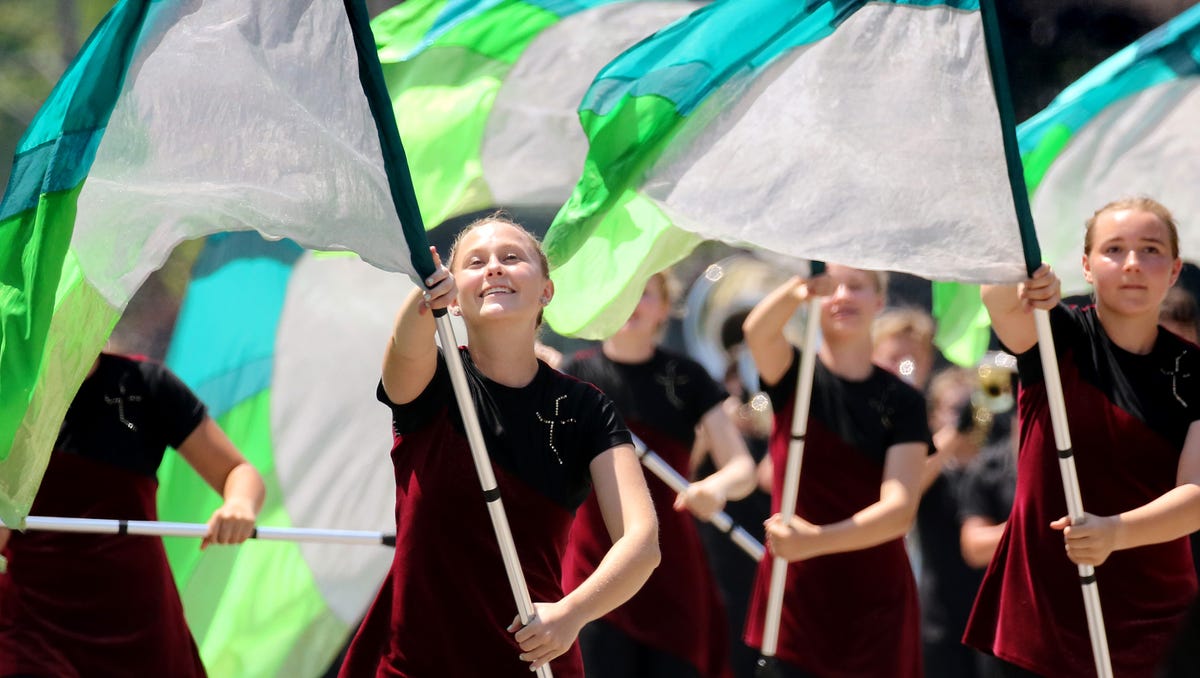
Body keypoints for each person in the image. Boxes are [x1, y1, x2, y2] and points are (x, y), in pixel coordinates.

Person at [338, 214, 660, 677]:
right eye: (474, 262)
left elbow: (642, 543)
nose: (493, 268)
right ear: (452, 294)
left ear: (546, 290)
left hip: (531, 659)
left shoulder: (587, 408)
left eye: (511, 258)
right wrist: (422, 299)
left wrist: (571, 614)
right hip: (415, 663)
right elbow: (405, 347)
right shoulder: (433, 380)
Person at [963, 197, 1200, 677]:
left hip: (1156, 624)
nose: (1133, 263)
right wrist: (1028, 281)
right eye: (1114, 249)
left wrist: (1115, 532)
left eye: (1151, 249)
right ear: (1087, 267)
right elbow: (998, 298)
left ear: (1174, 270)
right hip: (1043, 617)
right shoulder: (1056, 338)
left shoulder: (1195, 371)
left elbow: (1196, 496)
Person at [0, 352, 265, 677]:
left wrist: (239, 505)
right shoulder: (9, 393)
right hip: (33, 628)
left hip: (138, 625)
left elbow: (237, 471)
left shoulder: (146, 384)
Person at [561, 272, 757, 678]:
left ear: (664, 308)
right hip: (594, 572)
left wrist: (715, 487)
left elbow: (742, 469)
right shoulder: (573, 376)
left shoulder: (688, 377)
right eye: (623, 288)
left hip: (671, 572)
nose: (633, 301)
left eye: (645, 293)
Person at [741, 266, 931, 678]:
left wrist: (817, 541)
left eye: (857, 286)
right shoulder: (794, 376)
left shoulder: (904, 401)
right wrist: (800, 287)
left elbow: (899, 510)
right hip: (795, 602)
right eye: (832, 287)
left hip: (876, 608)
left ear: (879, 301)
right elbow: (758, 332)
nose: (842, 296)